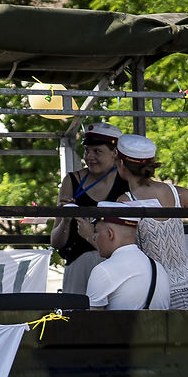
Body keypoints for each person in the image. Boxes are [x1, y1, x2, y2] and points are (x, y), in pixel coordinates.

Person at [115, 133, 188, 310]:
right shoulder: (176, 192)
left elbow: (113, 248)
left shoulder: (124, 202)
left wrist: (87, 232)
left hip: (155, 295)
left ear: (121, 164)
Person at [52, 122, 130, 296]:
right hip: (77, 266)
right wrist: (65, 220)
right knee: (76, 319)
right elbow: (55, 242)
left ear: (114, 153)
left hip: (116, 267)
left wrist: (89, 235)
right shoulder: (71, 181)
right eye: (87, 151)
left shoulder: (127, 182)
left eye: (97, 151)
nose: (90, 157)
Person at [85, 200, 170, 310]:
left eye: (96, 231)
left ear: (110, 234)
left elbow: (88, 323)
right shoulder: (159, 268)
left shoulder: (103, 271)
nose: (93, 237)